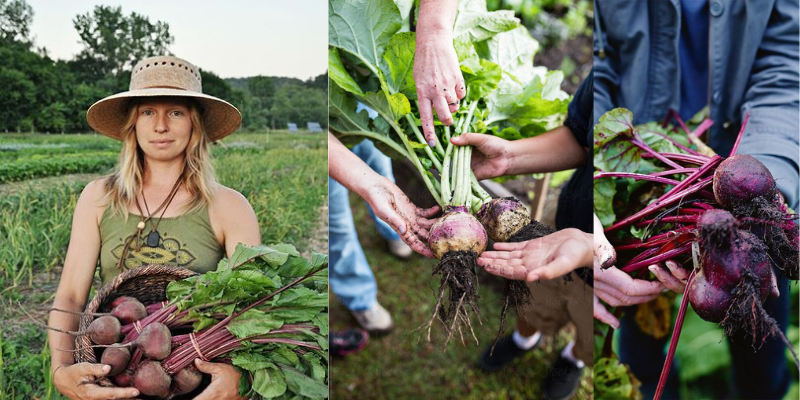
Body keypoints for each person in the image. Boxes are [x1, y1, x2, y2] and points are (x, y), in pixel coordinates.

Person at [593, 0, 798, 398]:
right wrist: (587, 213)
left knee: (763, 335)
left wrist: (768, 182)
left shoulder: (760, 209)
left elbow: (787, 62)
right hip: (642, 198)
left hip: (749, 165)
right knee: (642, 346)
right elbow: (596, 69)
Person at [48, 56, 259, 400]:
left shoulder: (229, 206)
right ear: (133, 123)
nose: (161, 125)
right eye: (148, 112)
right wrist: (61, 371)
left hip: (191, 375)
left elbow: (254, 305)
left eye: (175, 112)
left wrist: (238, 376)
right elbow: (71, 294)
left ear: (195, 124)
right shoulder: (99, 198)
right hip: (111, 373)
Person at [328, 137, 416, 334]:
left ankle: (395, 233)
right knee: (338, 224)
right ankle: (360, 298)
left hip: (361, 108)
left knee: (382, 175)